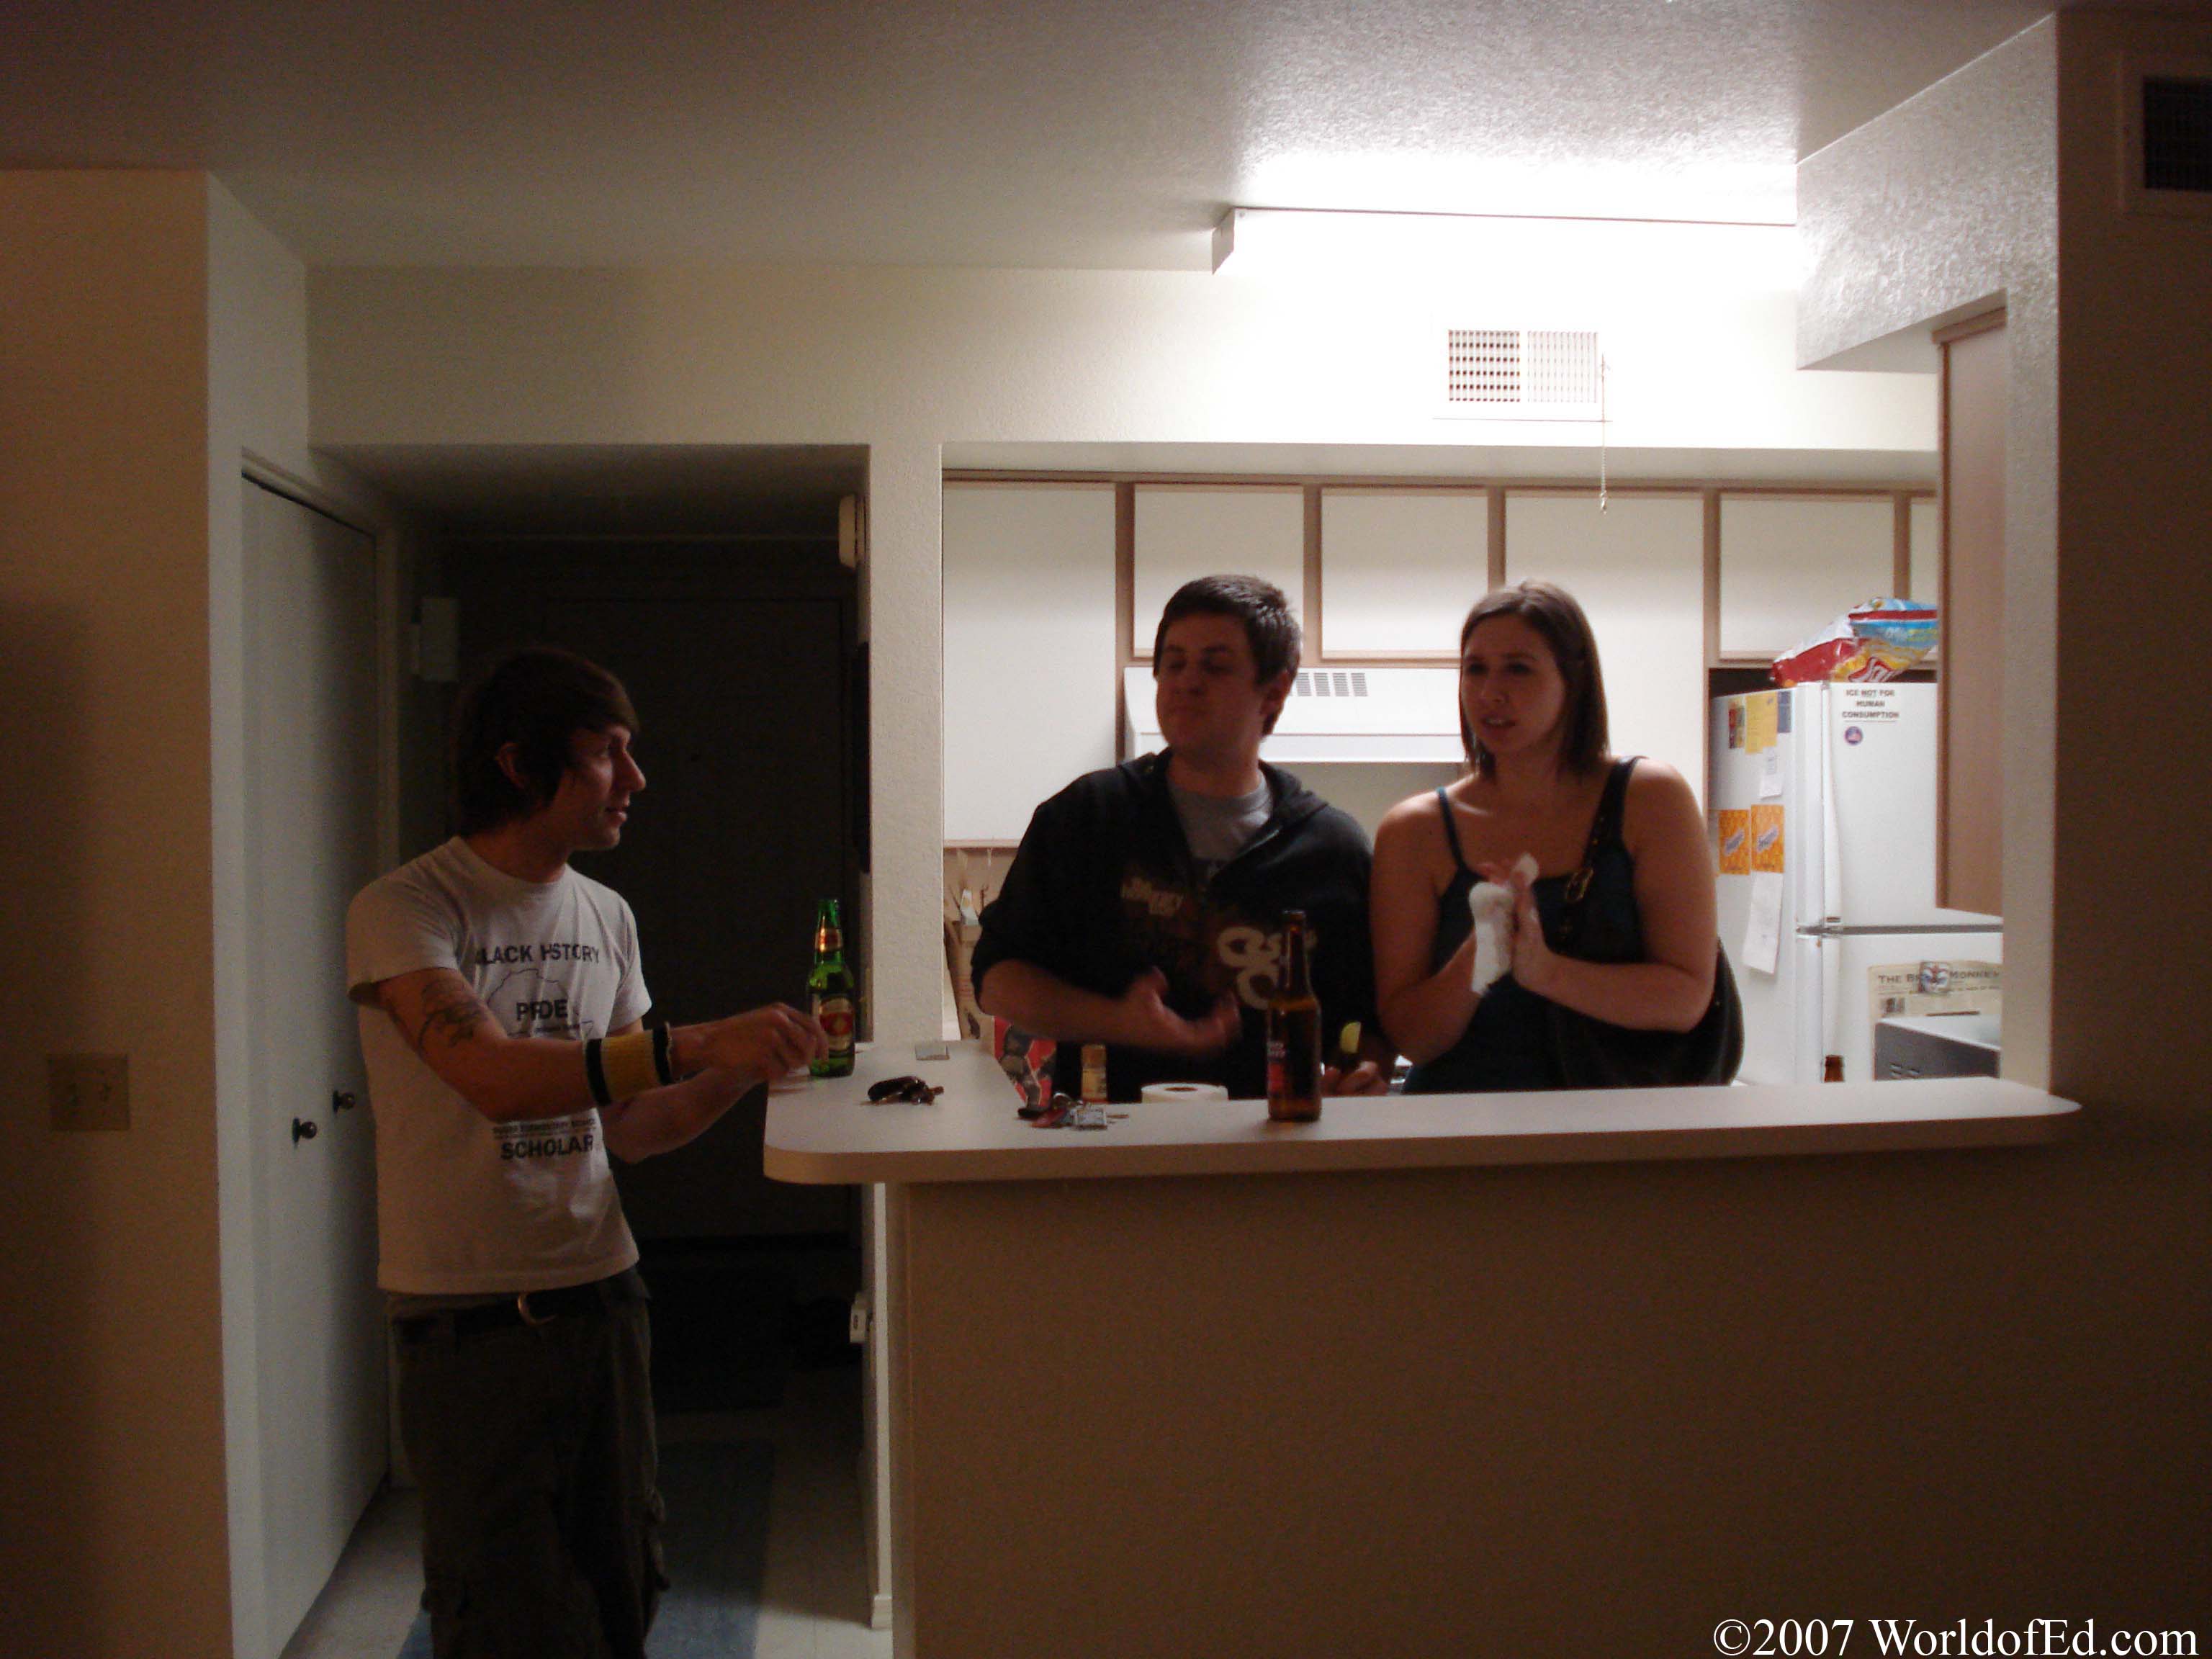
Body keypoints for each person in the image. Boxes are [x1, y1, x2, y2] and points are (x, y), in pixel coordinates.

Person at [345, 646, 826, 1659]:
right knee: (505, 1614)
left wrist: (743, 1068)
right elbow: (493, 1075)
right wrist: (693, 1040)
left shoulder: (607, 915)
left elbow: (637, 1125)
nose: (636, 781)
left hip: (605, 1300)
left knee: (621, 1594)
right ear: (522, 767)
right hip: (467, 1325)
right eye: (608, 754)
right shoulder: (407, 908)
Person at [971, 574, 1390, 1103]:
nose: (1187, 682)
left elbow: (1367, 1022)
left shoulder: (1333, 851)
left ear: (1275, 691)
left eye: (1215, 665)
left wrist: (1359, 1078)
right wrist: (1122, 1022)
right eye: (1174, 663)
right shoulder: (1089, 817)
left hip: (1275, 1153)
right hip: (1109, 1146)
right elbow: (998, 980)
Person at [1369, 580, 1716, 1092]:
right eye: (1475, 669)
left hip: (1620, 1136)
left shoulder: (1649, 798)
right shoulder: (1415, 830)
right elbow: (1414, 1039)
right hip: (1461, 1135)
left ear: (1573, 681)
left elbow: (1685, 999)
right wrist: (1483, 947)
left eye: (1519, 668)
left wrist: (1545, 971)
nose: (1490, 693)